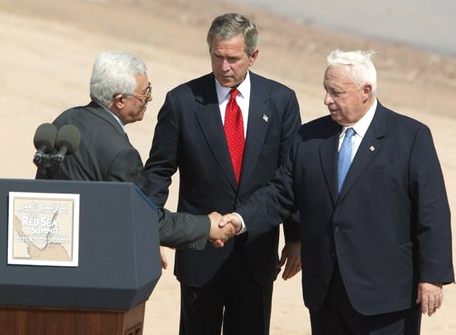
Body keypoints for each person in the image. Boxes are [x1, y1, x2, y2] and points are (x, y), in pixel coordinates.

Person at [222, 49, 454, 334]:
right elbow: (281, 194)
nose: (326, 100)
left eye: (336, 92)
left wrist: (432, 276)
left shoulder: (410, 137)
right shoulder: (309, 138)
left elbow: (432, 211)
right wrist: (240, 218)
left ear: (365, 91)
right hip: (326, 292)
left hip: (387, 295)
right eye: (326, 91)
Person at [144, 13, 302, 335]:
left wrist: (296, 236)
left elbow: (289, 177)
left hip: (256, 252)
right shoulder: (183, 102)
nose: (224, 67)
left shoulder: (282, 101)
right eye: (218, 57)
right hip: (200, 254)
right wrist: (150, 230)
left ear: (253, 57)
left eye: (233, 59)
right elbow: (159, 171)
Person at [39, 51, 235, 249]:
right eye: (145, 94)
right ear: (120, 100)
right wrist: (206, 226)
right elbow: (146, 221)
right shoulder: (122, 154)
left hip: (55, 246)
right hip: (96, 255)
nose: (148, 100)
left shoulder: (66, 120)